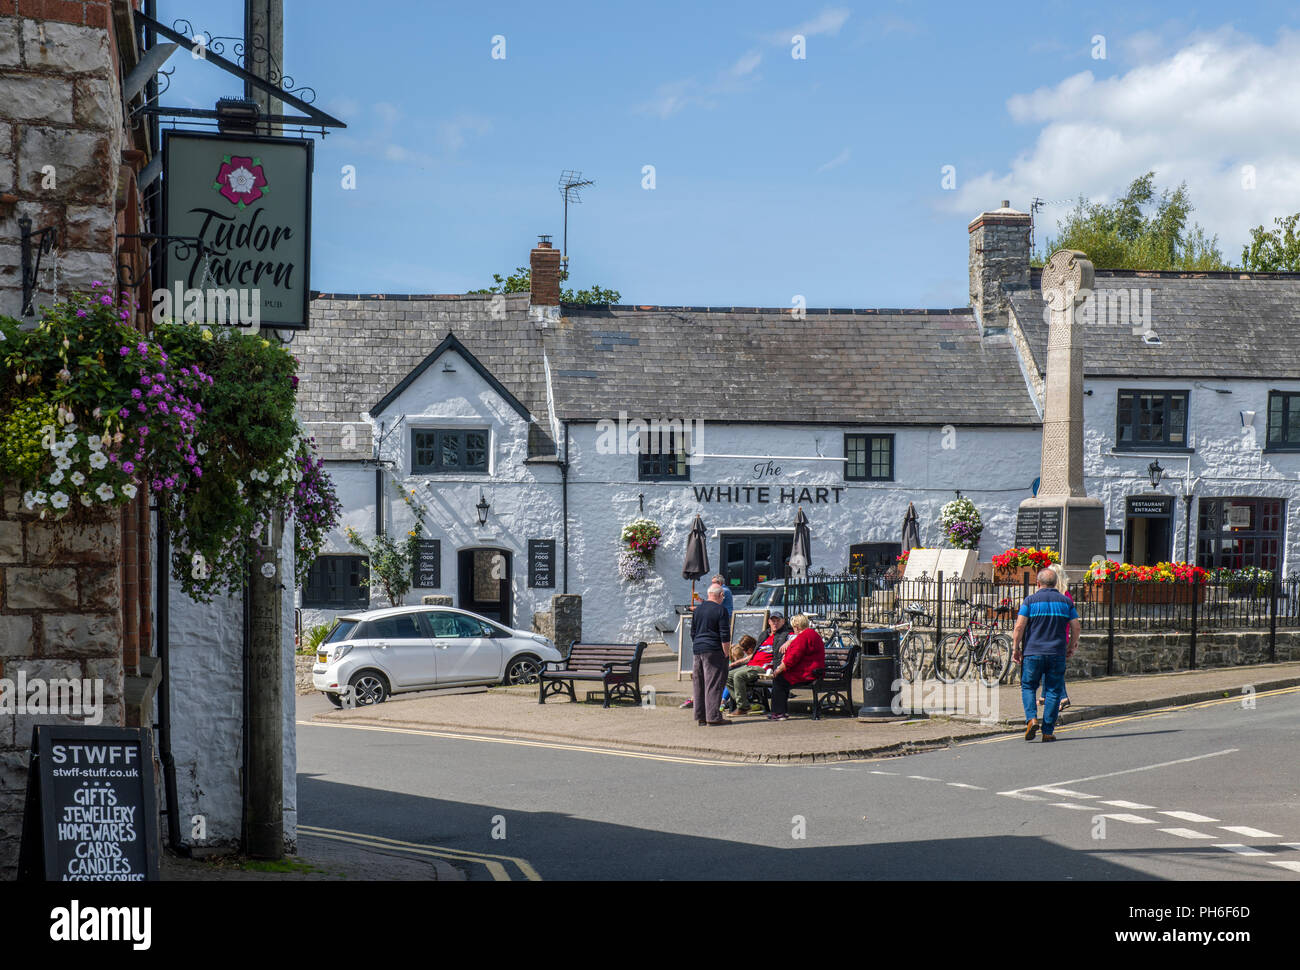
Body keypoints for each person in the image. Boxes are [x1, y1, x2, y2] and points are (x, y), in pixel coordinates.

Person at [1012, 567, 1081, 742]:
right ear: (1055, 583)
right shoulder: (1066, 602)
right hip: (1057, 652)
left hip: (1033, 652)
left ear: (1038, 583)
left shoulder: (1030, 601)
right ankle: (1048, 731)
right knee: (1053, 691)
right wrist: (1072, 645)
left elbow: (1019, 627)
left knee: (1028, 686)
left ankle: (1032, 719)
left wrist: (1015, 648)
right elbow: (1076, 626)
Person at [726, 613, 791, 716]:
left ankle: (743, 707)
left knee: (739, 676)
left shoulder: (786, 634)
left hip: (765, 667)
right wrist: (734, 663)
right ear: (769, 622)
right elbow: (753, 654)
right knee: (727, 675)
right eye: (773, 621)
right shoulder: (764, 634)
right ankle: (746, 705)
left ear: (783, 621)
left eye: (778, 620)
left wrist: (789, 642)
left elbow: (799, 637)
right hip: (751, 664)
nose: (775, 623)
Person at [767, 613, 824, 721]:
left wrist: (778, 669)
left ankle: (779, 712)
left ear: (797, 627)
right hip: (814, 671)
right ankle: (780, 711)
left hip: (808, 673)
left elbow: (792, 658)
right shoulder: (812, 634)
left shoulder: (802, 637)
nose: (794, 630)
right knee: (781, 679)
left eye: (794, 628)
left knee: (779, 679)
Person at [689, 585, 732, 726]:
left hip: (698, 649)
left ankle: (701, 716)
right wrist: (726, 652)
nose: (723, 598)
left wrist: (698, 644)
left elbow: (693, 632)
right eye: (723, 596)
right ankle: (713, 717)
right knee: (713, 683)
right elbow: (724, 634)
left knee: (699, 683)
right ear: (720, 595)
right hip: (713, 649)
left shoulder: (698, 609)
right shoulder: (721, 610)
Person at [721, 635, 757, 713]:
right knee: (728, 675)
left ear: (750, 648)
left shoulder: (756, 653)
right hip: (749, 671)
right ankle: (742, 703)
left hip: (755, 671)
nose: (744, 652)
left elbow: (749, 658)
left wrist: (733, 664)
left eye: (744, 650)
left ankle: (743, 705)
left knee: (737, 676)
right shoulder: (750, 655)